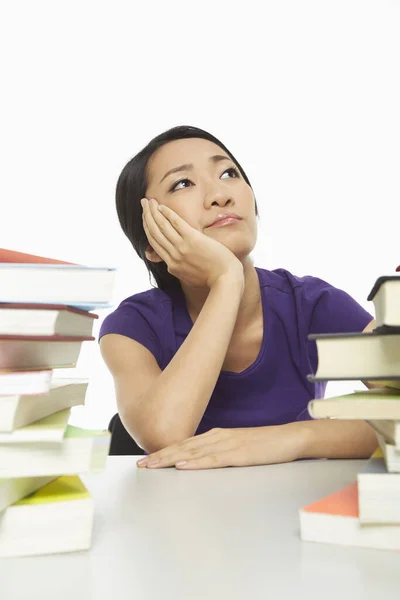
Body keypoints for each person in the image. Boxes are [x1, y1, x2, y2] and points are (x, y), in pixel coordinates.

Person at [99, 125, 378, 470]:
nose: (220, 195)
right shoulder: (132, 326)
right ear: (152, 245)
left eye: (228, 173)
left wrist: (292, 438)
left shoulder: (313, 304)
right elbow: (164, 434)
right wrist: (226, 280)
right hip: (177, 514)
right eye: (182, 183)